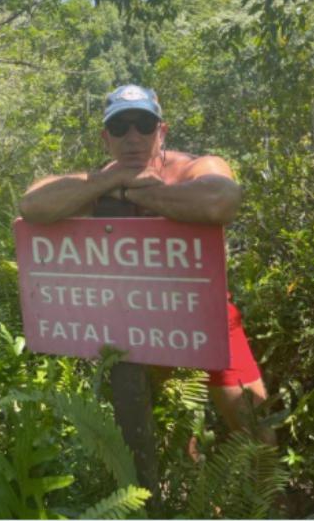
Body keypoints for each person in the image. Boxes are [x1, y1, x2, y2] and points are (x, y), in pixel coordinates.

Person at [20, 83, 273, 442]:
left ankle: (264, 497)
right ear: (106, 137)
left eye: (144, 124)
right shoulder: (103, 177)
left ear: (162, 130)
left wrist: (133, 191)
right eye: (121, 127)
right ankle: (186, 493)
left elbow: (221, 199)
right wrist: (113, 180)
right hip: (139, 321)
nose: (133, 137)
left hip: (206, 314)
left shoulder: (193, 167)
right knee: (169, 426)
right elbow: (32, 204)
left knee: (254, 425)